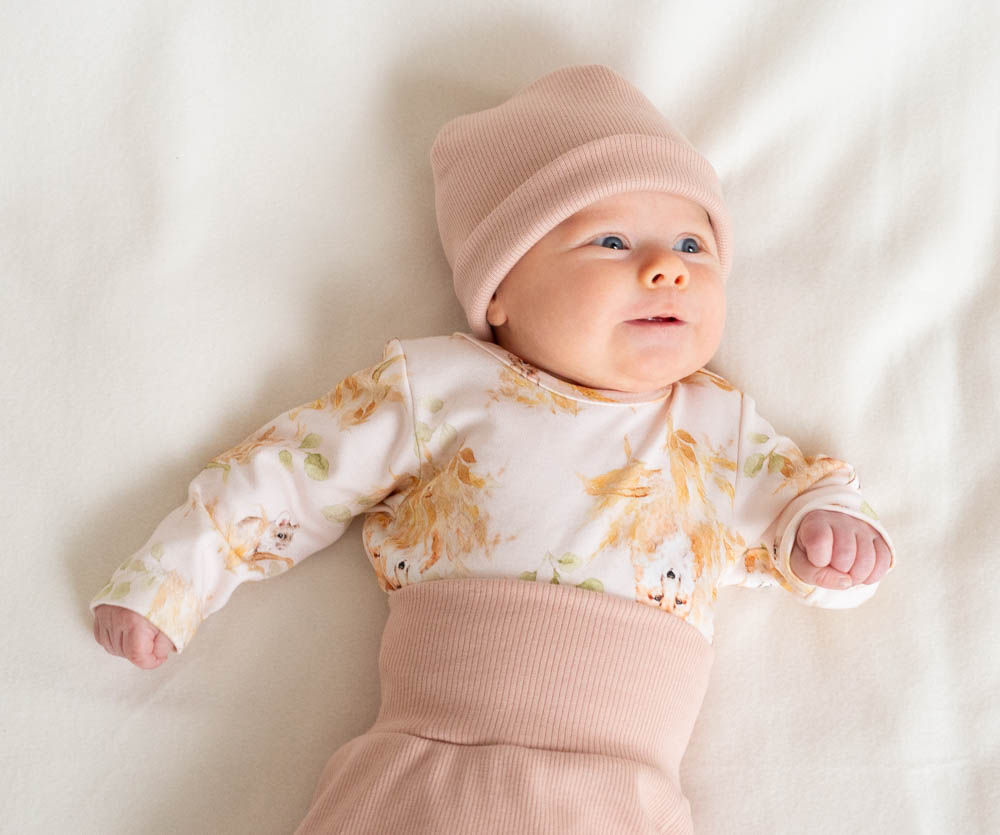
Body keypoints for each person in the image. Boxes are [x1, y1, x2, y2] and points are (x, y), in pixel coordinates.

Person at [91, 64, 895, 833]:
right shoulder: (441, 388)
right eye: (612, 242)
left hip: (621, 792)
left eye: (693, 246)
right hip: (432, 765)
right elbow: (293, 474)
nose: (666, 270)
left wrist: (828, 535)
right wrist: (174, 578)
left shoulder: (718, 425)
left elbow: (794, 510)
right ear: (500, 289)